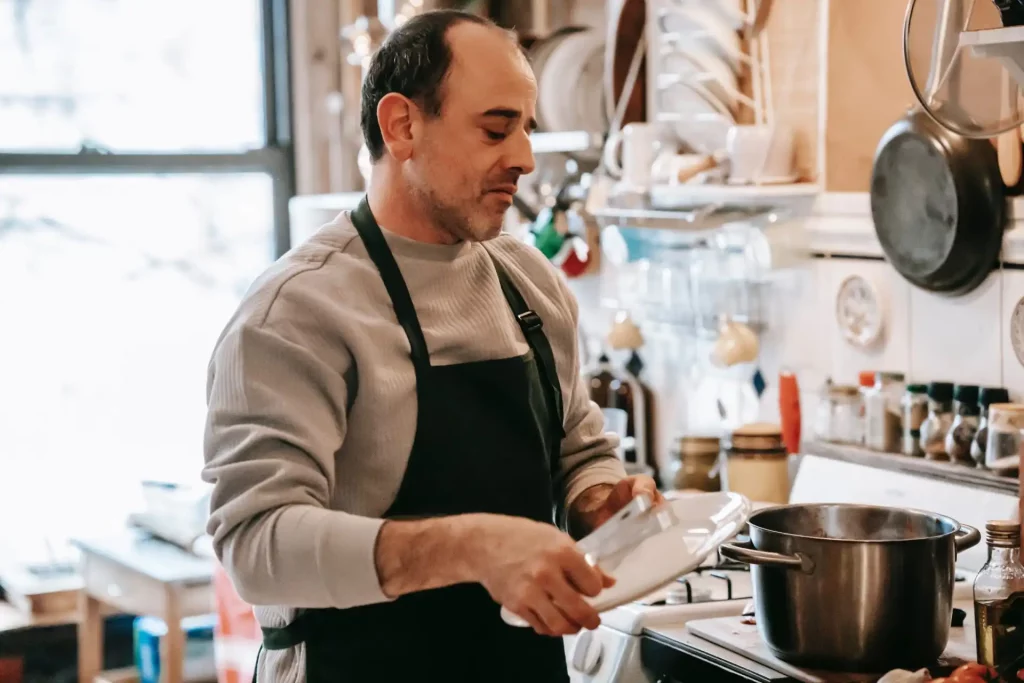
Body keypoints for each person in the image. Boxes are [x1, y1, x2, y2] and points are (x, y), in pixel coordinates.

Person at [202, 9, 660, 683]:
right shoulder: (296, 312)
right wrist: (475, 546)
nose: (525, 159)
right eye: (496, 129)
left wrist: (604, 501)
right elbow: (256, 544)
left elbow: (579, 451)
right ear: (402, 125)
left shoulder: (527, 279)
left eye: (526, 129)